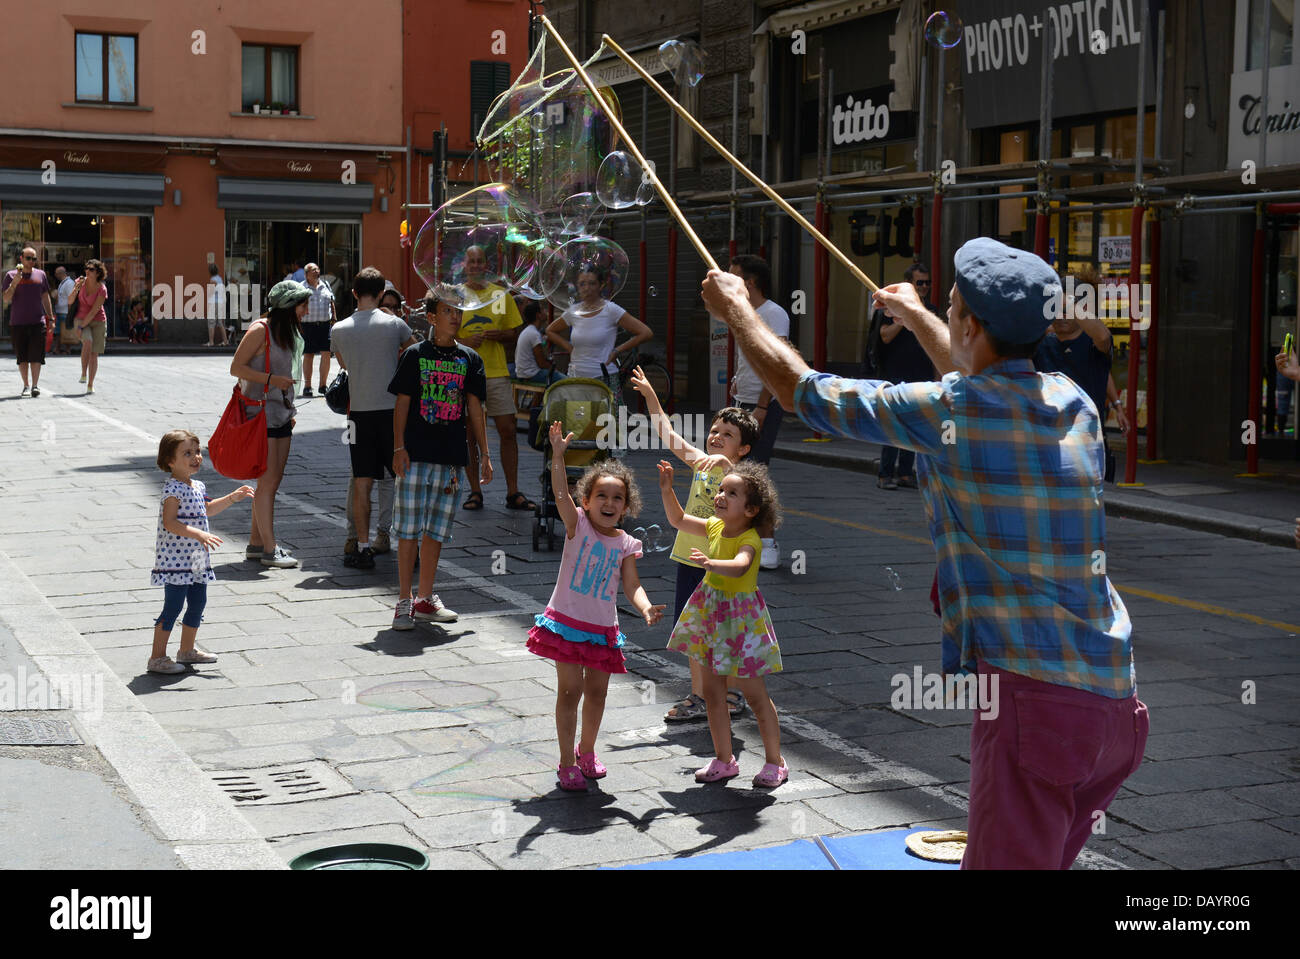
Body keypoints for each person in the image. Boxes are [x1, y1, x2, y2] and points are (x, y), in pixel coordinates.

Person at [709, 237, 1146, 867]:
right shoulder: (1071, 401)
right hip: (1114, 702)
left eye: (951, 308)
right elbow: (986, 373)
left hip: (1036, 709)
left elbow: (799, 390)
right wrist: (917, 315)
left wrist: (738, 313)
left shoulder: (950, 408)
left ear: (968, 323)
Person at [528, 423, 664, 790]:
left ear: (626, 506)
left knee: (599, 692)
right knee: (569, 691)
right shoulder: (577, 526)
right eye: (600, 496)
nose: (608, 503)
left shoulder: (626, 543)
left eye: (617, 498)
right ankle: (566, 761)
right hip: (566, 624)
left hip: (602, 630)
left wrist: (646, 607)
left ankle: (587, 751)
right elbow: (559, 493)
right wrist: (558, 455)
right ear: (585, 501)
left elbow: (631, 584)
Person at [629, 365, 757, 724]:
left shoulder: (744, 477)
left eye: (727, 435)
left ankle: (730, 694)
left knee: (723, 630)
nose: (716, 437)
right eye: (714, 431)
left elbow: (743, 489)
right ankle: (700, 695)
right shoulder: (701, 462)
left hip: (721, 564)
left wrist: (726, 462)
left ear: (744, 449)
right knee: (692, 629)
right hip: (689, 559)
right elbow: (667, 432)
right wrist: (651, 396)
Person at [658, 458, 787, 788]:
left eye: (731, 492)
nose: (720, 496)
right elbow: (677, 519)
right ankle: (724, 759)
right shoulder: (715, 526)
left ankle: (775, 762)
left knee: (755, 695)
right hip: (713, 617)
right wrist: (668, 489)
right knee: (713, 693)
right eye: (720, 490)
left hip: (741, 623)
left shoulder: (751, 539)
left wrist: (711, 562)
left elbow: (741, 566)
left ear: (751, 510)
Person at [389, 293, 493, 628]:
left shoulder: (470, 358)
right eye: (447, 311)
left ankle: (425, 598)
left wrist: (485, 455)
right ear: (432, 317)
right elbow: (402, 403)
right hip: (416, 454)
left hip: (451, 458)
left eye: (458, 311)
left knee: (436, 531)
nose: (455, 317)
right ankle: (404, 601)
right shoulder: (414, 355)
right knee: (407, 531)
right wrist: (398, 447)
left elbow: (475, 408)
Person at [147, 430, 254, 674]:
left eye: (197, 452)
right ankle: (156, 657)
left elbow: (207, 509)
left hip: (196, 558)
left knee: (198, 602)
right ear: (170, 461)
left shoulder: (197, 485)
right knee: (172, 606)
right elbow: (170, 522)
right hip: (175, 560)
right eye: (187, 453)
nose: (196, 457)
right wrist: (199, 534)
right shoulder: (172, 489)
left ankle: (186, 650)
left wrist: (231, 498)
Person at [330, 267, 416, 570]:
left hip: (358, 413)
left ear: (354, 293)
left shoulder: (338, 329)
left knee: (361, 480)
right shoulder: (395, 324)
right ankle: (407, 544)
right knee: (400, 479)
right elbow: (415, 351)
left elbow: (343, 363)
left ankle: (362, 546)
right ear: (381, 294)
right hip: (393, 411)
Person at [230, 281, 309, 569]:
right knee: (268, 482)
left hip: (281, 413)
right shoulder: (260, 329)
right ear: (288, 306)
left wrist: (287, 401)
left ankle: (256, 543)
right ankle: (270, 549)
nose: (306, 311)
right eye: (302, 305)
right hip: (259, 414)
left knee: (271, 482)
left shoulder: (287, 333)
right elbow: (236, 368)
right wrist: (271, 381)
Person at [455, 244, 533, 512]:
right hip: (465, 373)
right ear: (464, 265)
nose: (476, 266)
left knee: (508, 430)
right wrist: (464, 340)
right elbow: (445, 333)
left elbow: (513, 332)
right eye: (471, 261)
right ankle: (475, 491)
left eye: (480, 262)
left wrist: (500, 335)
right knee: (469, 435)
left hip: (497, 371)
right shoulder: (456, 295)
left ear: (486, 266)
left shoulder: (500, 294)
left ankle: (513, 492)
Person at [725, 254, 789, 566]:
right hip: (744, 401)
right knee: (739, 474)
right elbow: (749, 359)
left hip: (763, 405)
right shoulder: (742, 311)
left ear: (749, 283)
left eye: (733, 276)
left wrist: (762, 406)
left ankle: (768, 543)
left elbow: (775, 364)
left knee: (755, 475)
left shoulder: (774, 314)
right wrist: (739, 382)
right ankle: (745, 542)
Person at [1033, 266, 1116, 480]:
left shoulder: (1093, 343)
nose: (1061, 315)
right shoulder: (1040, 343)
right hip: (1046, 442)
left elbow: (1104, 337)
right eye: (1056, 308)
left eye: (1066, 308)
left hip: (1087, 444)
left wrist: (1067, 300)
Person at [867, 262, 940, 490]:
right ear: (911, 284)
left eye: (928, 283)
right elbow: (885, 336)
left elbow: (937, 345)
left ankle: (907, 473)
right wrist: (908, 315)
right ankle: (885, 473)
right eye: (920, 283)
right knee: (894, 425)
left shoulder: (933, 310)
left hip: (922, 373)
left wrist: (939, 378)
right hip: (896, 374)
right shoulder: (893, 309)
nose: (925, 287)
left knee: (915, 425)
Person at [545, 265, 653, 381]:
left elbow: (646, 333)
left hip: (604, 378)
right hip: (575, 376)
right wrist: (569, 347)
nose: (587, 288)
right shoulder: (573, 311)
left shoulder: (611, 310)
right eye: (582, 284)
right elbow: (550, 330)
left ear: (600, 286)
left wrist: (618, 351)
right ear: (577, 287)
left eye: (592, 283)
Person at [2, 247, 54, 396]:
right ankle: (26, 385)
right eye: (28, 258)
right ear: (21, 258)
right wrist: (15, 283)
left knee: (36, 355)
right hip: (18, 322)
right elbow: (6, 298)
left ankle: (35, 386)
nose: (31, 261)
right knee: (22, 356)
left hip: (38, 321)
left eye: (34, 259)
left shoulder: (41, 275)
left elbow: (45, 297)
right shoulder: (11, 275)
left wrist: (50, 317)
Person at [71, 259, 109, 394]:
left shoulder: (102, 289)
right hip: (80, 318)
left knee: (94, 354)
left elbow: (94, 311)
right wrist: (76, 288)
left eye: (91, 269)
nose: (87, 271)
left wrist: (82, 327)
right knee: (87, 342)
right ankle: (83, 373)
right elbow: (69, 301)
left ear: (98, 272)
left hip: (98, 320)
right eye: (86, 268)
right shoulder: (79, 282)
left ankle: (90, 384)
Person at [300, 262, 336, 396]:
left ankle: (323, 385)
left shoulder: (325, 285)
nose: (316, 271)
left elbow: (332, 301)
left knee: (326, 353)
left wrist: (334, 319)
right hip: (307, 326)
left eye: (317, 269)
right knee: (308, 355)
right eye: (312, 270)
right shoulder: (301, 288)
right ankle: (307, 386)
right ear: (306, 274)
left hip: (324, 325)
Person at [513, 301, 564, 385]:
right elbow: (541, 363)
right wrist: (555, 370)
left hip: (523, 373)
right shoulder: (534, 334)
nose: (546, 312)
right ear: (538, 315)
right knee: (565, 380)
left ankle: (538, 398)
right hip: (531, 374)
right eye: (543, 310)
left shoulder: (529, 330)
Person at [206, 264, 229, 347]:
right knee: (220, 323)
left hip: (214, 302)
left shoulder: (212, 280)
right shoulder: (220, 279)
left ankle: (211, 342)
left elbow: (211, 292)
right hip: (220, 302)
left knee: (211, 322)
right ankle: (225, 341)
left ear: (210, 271)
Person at [54, 266, 75, 354]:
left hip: (65, 312)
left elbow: (71, 298)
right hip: (60, 311)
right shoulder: (62, 283)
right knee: (58, 332)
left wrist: (70, 313)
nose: (55, 275)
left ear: (61, 273)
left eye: (56, 273)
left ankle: (67, 349)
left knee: (66, 331)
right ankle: (57, 349)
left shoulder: (69, 283)